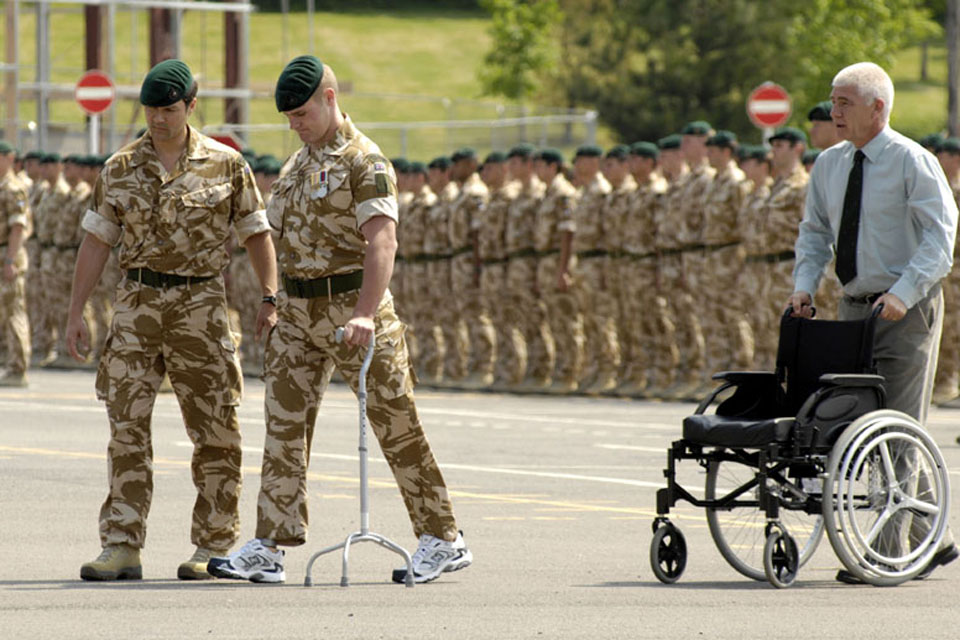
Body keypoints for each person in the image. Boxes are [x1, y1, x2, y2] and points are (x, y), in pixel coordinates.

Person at [207, 56, 470, 585]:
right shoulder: (299, 165)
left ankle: (443, 537)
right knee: (283, 427)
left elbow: (382, 242)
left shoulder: (364, 161)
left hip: (352, 307)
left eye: (302, 114)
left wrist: (367, 314)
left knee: (396, 424)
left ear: (329, 99)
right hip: (298, 313)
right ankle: (271, 546)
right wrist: (272, 298)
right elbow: (273, 234)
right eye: (288, 118)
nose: (295, 125)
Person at [68, 59, 277, 581]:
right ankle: (121, 544)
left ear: (190, 106)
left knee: (216, 430)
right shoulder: (119, 168)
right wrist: (76, 311)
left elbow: (256, 233)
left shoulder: (226, 165)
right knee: (126, 430)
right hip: (137, 306)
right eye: (150, 110)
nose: (157, 120)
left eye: (168, 110)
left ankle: (213, 544)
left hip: (201, 308)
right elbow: (96, 241)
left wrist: (270, 296)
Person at [788, 61, 959, 582]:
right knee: (862, 424)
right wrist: (803, 284)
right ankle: (936, 537)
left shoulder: (913, 161)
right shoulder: (831, 164)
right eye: (833, 102)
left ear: (877, 108)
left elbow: (940, 237)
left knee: (899, 426)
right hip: (853, 306)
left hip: (906, 308)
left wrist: (905, 292)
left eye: (844, 102)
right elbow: (815, 231)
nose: (834, 112)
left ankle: (885, 552)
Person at [0, 141, 32, 386]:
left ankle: (18, 368)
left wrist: (10, 260)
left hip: (8, 256)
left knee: (14, 312)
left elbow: (18, 227)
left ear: (9, 158)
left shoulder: (13, 188)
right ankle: (8, 361)